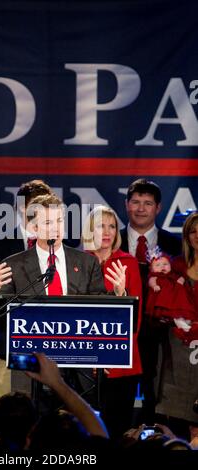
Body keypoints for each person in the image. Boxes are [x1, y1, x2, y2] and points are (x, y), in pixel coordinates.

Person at [0, 194, 127, 405]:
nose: (56, 228)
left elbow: (100, 310)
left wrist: (118, 294)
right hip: (29, 365)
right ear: (33, 228)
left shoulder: (87, 262)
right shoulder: (14, 264)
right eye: (48, 222)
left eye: (60, 221)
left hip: (76, 369)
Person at [120, 178, 182, 424]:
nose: (141, 208)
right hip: (121, 331)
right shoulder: (110, 240)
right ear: (126, 205)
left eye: (147, 203)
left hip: (161, 334)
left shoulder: (175, 245)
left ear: (158, 208)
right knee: (120, 399)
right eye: (135, 202)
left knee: (156, 397)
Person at [0, 179, 53, 405]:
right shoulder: (0, 247)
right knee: (8, 419)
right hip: (9, 349)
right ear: (21, 209)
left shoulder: (62, 245)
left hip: (54, 352)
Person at [81, 204, 142, 439]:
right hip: (85, 363)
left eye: (112, 226)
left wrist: (121, 292)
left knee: (117, 432)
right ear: (89, 230)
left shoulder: (128, 263)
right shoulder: (78, 262)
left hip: (120, 364)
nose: (107, 232)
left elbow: (134, 319)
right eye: (100, 226)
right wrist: (92, 356)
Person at [155, 212, 198, 440]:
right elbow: (161, 308)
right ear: (186, 236)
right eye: (193, 231)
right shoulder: (175, 267)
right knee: (182, 428)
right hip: (178, 356)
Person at [145, 250, 195, 326]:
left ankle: (184, 317)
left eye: (165, 264)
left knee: (182, 297)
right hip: (163, 298)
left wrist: (181, 279)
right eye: (157, 265)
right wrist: (154, 285)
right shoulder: (155, 276)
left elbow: (181, 278)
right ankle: (173, 319)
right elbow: (151, 281)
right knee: (166, 306)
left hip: (174, 296)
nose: (162, 266)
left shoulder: (173, 275)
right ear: (151, 269)